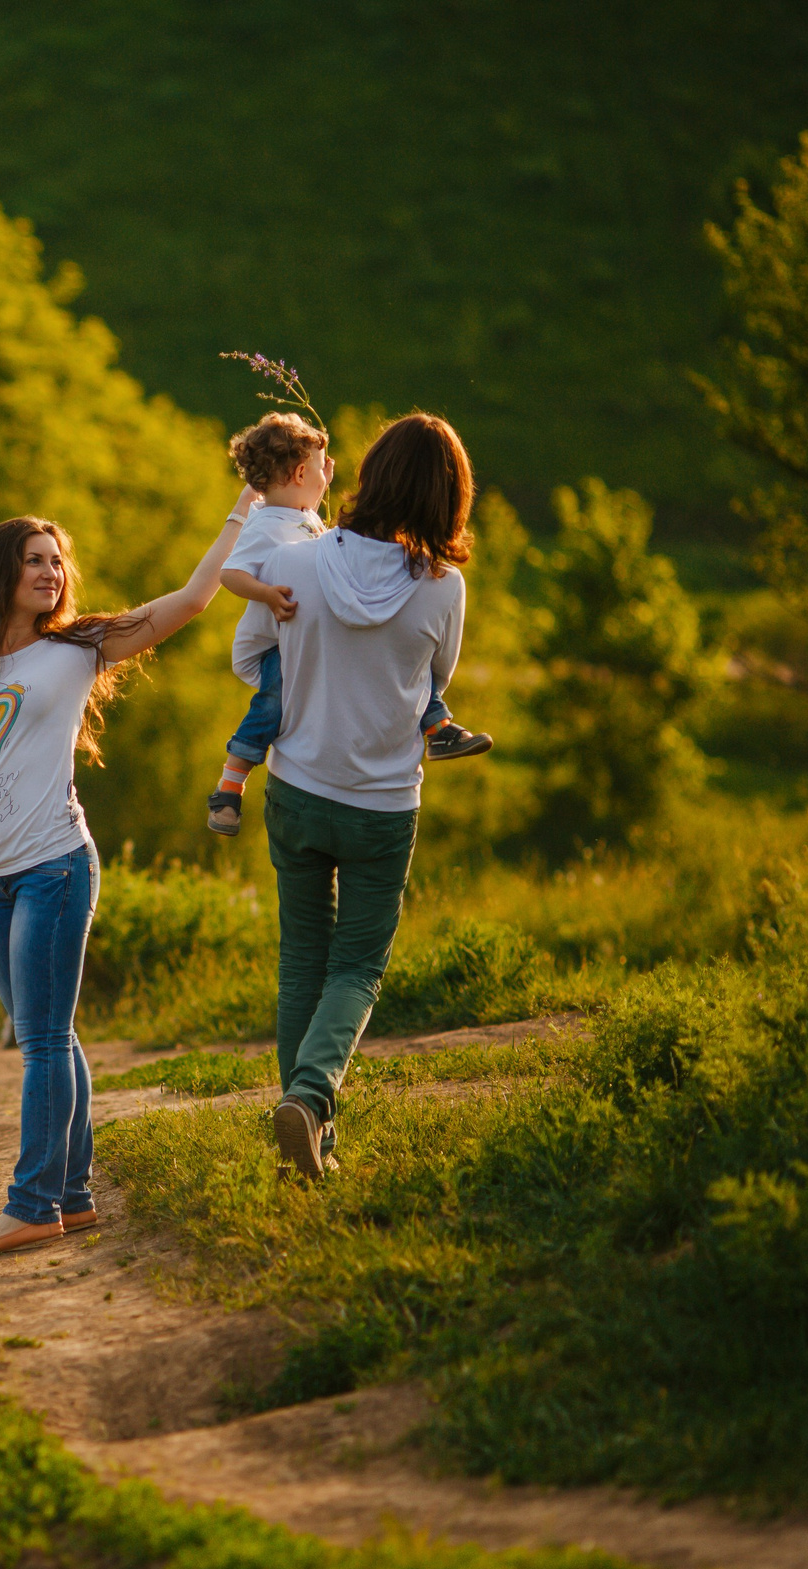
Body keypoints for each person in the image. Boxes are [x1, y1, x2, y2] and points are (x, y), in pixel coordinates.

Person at [0, 501, 258, 1254]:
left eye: (57, 561)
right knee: (49, 1034)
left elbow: (191, 600)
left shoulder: (78, 647)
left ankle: (33, 1202)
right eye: (35, 560)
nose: (51, 572)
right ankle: (75, 1196)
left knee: (43, 1039)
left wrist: (242, 510)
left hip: (55, 866)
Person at [255, 413, 473, 1180]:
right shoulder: (444, 589)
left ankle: (307, 1145)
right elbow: (436, 683)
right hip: (382, 803)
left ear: (369, 475)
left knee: (301, 963)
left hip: (296, 788)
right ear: (450, 496)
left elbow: (260, 658)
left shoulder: (296, 561)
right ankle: (311, 1100)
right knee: (356, 969)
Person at [207, 413, 492, 839]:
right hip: (383, 792)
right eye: (320, 469)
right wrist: (267, 595)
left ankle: (438, 727)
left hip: (300, 780)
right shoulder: (267, 525)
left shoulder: (302, 521)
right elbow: (231, 574)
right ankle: (230, 786)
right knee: (270, 704)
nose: (329, 477)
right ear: (299, 474)